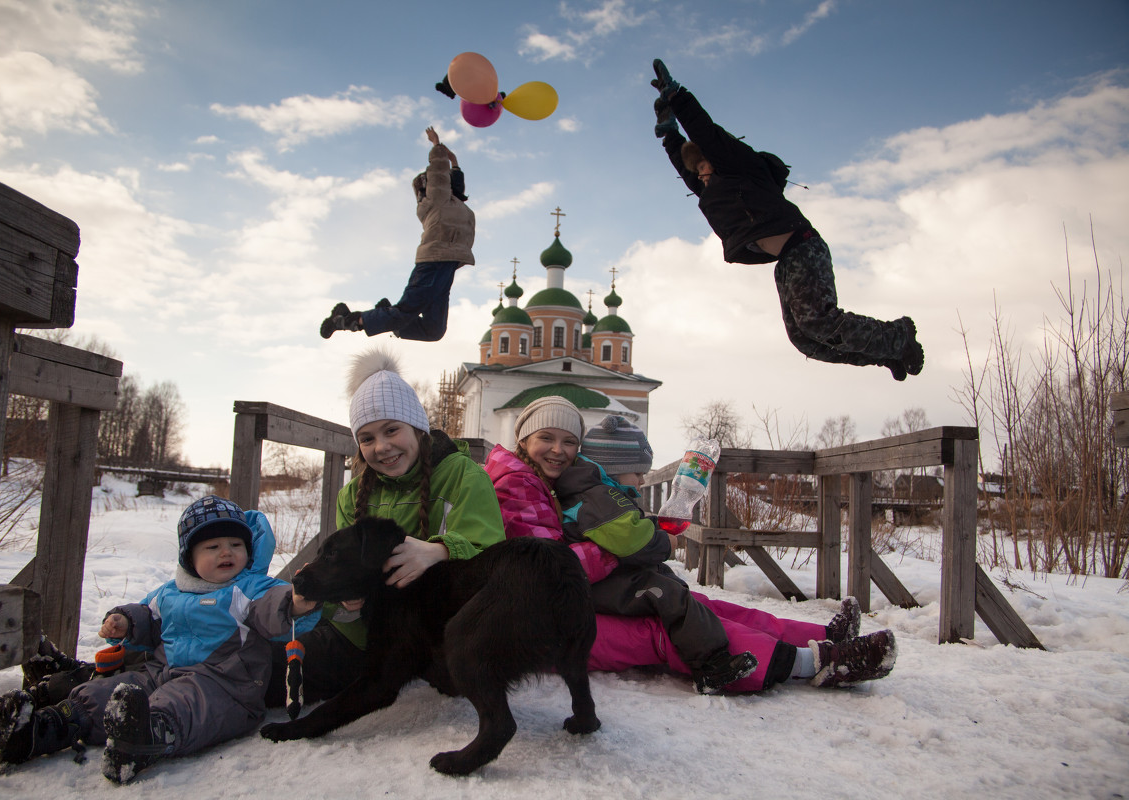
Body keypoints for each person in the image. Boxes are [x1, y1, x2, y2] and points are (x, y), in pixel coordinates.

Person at [486, 402, 897, 692]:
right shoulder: (518, 485)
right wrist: (623, 551)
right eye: (547, 438)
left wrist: (631, 536)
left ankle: (822, 637)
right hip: (541, 623)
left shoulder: (546, 481)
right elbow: (546, 572)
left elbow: (594, 528)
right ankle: (813, 664)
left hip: (563, 605)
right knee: (665, 627)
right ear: (524, 438)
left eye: (569, 443)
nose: (559, 451)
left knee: (694, 603)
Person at [0, 496, 320, 784]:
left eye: (235, 545)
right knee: (106, 694)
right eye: (212, 546)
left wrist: (300, 600)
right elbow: (147, 616)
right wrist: (125, 621)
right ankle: (42, 729)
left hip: (223, 687)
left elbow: (276, 605)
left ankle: (147, 736)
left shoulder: (249, 589)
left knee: (179, 702)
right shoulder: (170, 592)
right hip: (159, 675)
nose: (226, 552)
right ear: (189, 556)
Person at [650, 59, 924, 381]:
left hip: (804, 246)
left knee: (818, 321)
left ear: (716, 161)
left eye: (704, 169)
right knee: (805, 340)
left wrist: (676, 97)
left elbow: (705, 133)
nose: (702, 179)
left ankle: (898, 336)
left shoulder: (740, 167)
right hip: (786, 261)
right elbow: (685, 168)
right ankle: (885, 352)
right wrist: (669, 134)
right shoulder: (711, 189)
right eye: (698, 175)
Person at [266, 347, 505, 706]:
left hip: (441, 637)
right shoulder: (352, 497)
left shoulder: (462, 477)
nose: (382, 447)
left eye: (392, 429)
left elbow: (493, 555)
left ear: (417, 427)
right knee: (267, 663)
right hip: (367, 636)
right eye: (367, 438)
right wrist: (344, 600)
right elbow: (342, 576)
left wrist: (438, 550)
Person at [320, 126, 475, 342]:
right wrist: (437, 146)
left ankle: (387, 314)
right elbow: (439, 172)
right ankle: (344, 319)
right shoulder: (436, 200)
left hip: (446, 268)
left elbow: (456, 185)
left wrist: (456, 160)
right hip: (433, 263)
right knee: (403, 313)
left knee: (434, 330)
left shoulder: (455, 203)